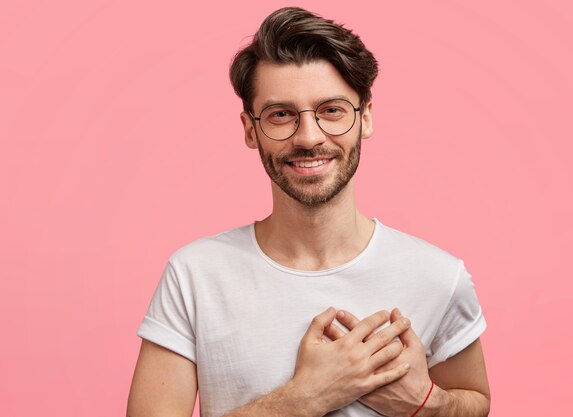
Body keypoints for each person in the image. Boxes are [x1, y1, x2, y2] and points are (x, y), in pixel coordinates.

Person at [127, 7, 490, 417]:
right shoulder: (195, 276)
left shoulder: (438, 275)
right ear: (250, 129)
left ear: (365, 117)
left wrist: (428, 404)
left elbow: (475, 401)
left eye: (331, 110)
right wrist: (306, 398)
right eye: (281, 114)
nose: (309, 137)